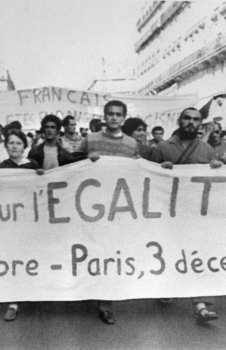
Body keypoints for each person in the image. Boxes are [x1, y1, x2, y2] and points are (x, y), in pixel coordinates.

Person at [149, 107, 222, 323]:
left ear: (201, 123)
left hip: (195, 212)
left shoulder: (207, 150)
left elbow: (215, 183)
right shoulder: (163, 147)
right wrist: (160, 169)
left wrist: (217, 168)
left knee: (198, 253)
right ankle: (168, 287)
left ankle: (201, 303)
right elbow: (147, 179)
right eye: (187, 118)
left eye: (195, 119)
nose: (191, 122)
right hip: (168, 211)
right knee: (170, 251)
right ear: (179, 121)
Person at [76, 100, 138, 325]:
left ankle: (106, 301)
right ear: (104, 116)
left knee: (112, 253)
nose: (113, 118)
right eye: (110, 114)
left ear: (123, 117)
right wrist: (85, 159)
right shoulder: (91, 139)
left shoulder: (132, 144)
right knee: (93, 251)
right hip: (90, 206)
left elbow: (139, 170)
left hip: (119, 207)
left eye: (118, 114)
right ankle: (89, 288)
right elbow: (70, 164)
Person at [0, 129, 43, 322]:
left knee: (29, 257)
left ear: (24, 146)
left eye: (18, 143)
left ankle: (31, 292)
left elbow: (41, 190)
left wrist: (43, 176)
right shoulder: (2, 167)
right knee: (13, 259)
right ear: (6, 146)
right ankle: (13, 302)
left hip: (29, 219)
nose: (14, 146)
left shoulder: (32, 165)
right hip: (9, 220)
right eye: (11, 143)